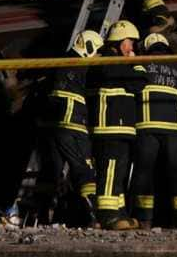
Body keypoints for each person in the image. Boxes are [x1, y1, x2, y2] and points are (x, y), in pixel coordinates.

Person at [129, 33, 177, 230]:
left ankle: (144, 219)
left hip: (147, 128)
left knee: (145, 174)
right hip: (174, 131)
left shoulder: (141, 64)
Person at [87, 20, 143, 230]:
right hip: (109, 128)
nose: (132, 48)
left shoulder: (118, 64)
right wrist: (135, 63)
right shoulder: (109, 62)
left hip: (120, 128)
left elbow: (136, 83)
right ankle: (108, 215)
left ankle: (119, 213)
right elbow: (141, 80)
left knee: (118, 174)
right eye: (129, 43)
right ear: (119, 42)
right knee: (110, 172)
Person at [45, 30, 103, 225]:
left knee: (58, 173)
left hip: (56, 125)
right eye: (97, 51)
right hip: (74, 122)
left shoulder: (62, 62)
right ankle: (95, 214)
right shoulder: (81, 66)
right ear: (88, 48)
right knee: (84, 168)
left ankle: (54, 214)